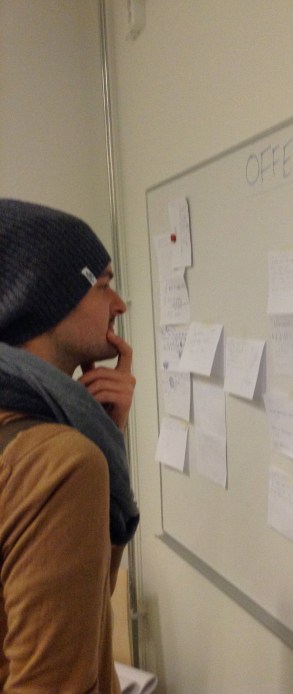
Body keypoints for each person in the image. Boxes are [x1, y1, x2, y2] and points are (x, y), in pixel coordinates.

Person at [0, 199, 140, 692]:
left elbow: (81, 608)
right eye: (101, 284)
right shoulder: (60, 463)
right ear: (43, 298)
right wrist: (95, 452)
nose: (119, 304)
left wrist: (105, 435)